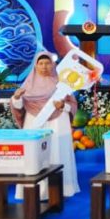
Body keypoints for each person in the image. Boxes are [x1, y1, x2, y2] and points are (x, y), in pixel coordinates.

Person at [10, 51, 80, 198]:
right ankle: (35, 191)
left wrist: (63, 106)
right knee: (34, 153)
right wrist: (16, 98)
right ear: (35, 66)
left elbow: (72, 104)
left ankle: (60, 189)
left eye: (47, 63)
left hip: (58, 121)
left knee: (58, 151)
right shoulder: (28, 85)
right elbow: (19, 106)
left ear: (53, 65)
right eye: (40, 63)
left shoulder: (61, 83)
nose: (44, 66)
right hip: (34, 121)